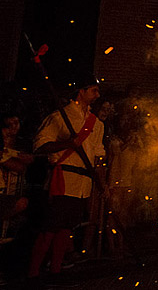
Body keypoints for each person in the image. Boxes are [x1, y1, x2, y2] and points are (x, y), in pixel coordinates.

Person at [26, 73, 105, 284]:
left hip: (83, 183)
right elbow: (40, 146)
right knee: (50, 227)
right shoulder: (60, 117)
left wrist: (101, 183)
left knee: (67, 228)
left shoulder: (96, 124)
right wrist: (67, 143)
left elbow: (97, 156)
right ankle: (33, 273)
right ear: (82, 91)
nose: (98, 95)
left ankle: (56, 270)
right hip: (62, 179)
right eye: (93, 90)